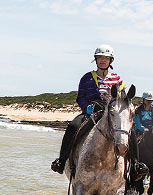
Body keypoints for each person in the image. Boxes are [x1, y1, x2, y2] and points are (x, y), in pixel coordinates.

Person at [52, 45, 125, 173]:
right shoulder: (87, 77)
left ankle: (136, 165)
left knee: (129, 132)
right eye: (100, 58)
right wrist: (86, 107)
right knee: (73, 126)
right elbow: (80, 97)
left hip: (112, 114)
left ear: (110, 61)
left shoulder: (117, 79)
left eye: (106, 58)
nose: (103, 60)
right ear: (95, 60)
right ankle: (62, 161)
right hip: (93, 113)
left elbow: (123, 99)